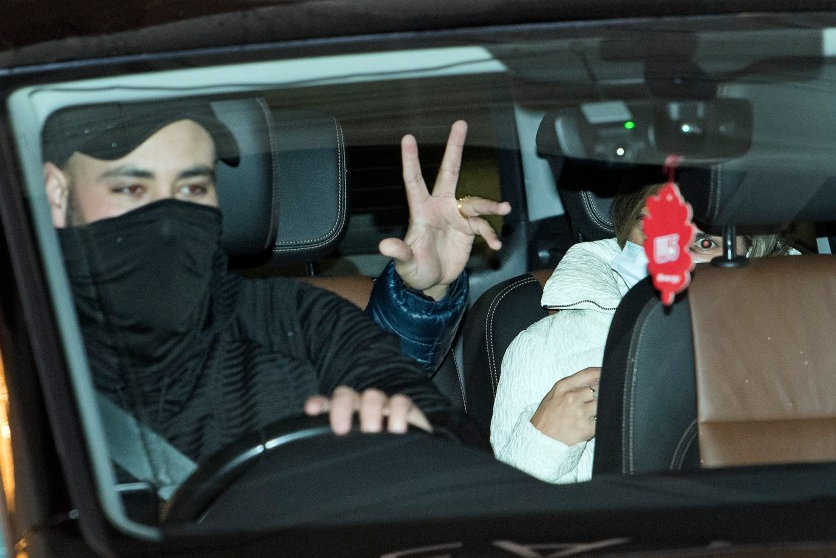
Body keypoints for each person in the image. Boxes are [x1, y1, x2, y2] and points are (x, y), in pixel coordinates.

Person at [41, 99, 510, 464]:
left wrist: (402, 432)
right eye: (130, 189)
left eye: (191, 189)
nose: (169, 220)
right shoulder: (25, 362)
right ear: (56, 195)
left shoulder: (296, 319)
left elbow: (453, 441)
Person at [489, 184, 793, 483]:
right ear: (626, 237)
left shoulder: (801, 338)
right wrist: (543, 444)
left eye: (703, 244)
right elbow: (504, 512)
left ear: (750, 257)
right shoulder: (544, 346)